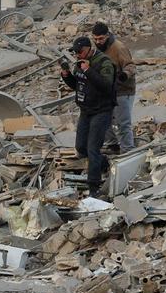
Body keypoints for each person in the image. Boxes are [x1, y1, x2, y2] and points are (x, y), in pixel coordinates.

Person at [57, 35, 118, 199]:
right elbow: (78, 86)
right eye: (75, 52)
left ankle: (94, 188)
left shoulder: (103, 62)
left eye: (80, 52)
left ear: (88, 49)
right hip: (86, 110)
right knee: (81, 147)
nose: (77, 55)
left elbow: (106, 85)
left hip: (102, 110)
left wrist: (88, 70)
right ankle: (104, 163)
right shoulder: (80, 64)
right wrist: (66, 75)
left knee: (93, 149)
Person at [90, 21, 136, 152]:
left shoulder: (119, 48)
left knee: (123, 123)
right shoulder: (96, 50)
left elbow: (131, 66)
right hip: (106, 91)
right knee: (104, 120)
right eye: (95, 39)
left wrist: (124, 74)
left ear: (107, 35)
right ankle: (112, 145)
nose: (98, 42)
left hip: (123, 90)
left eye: (101, 39)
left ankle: (128, 150)